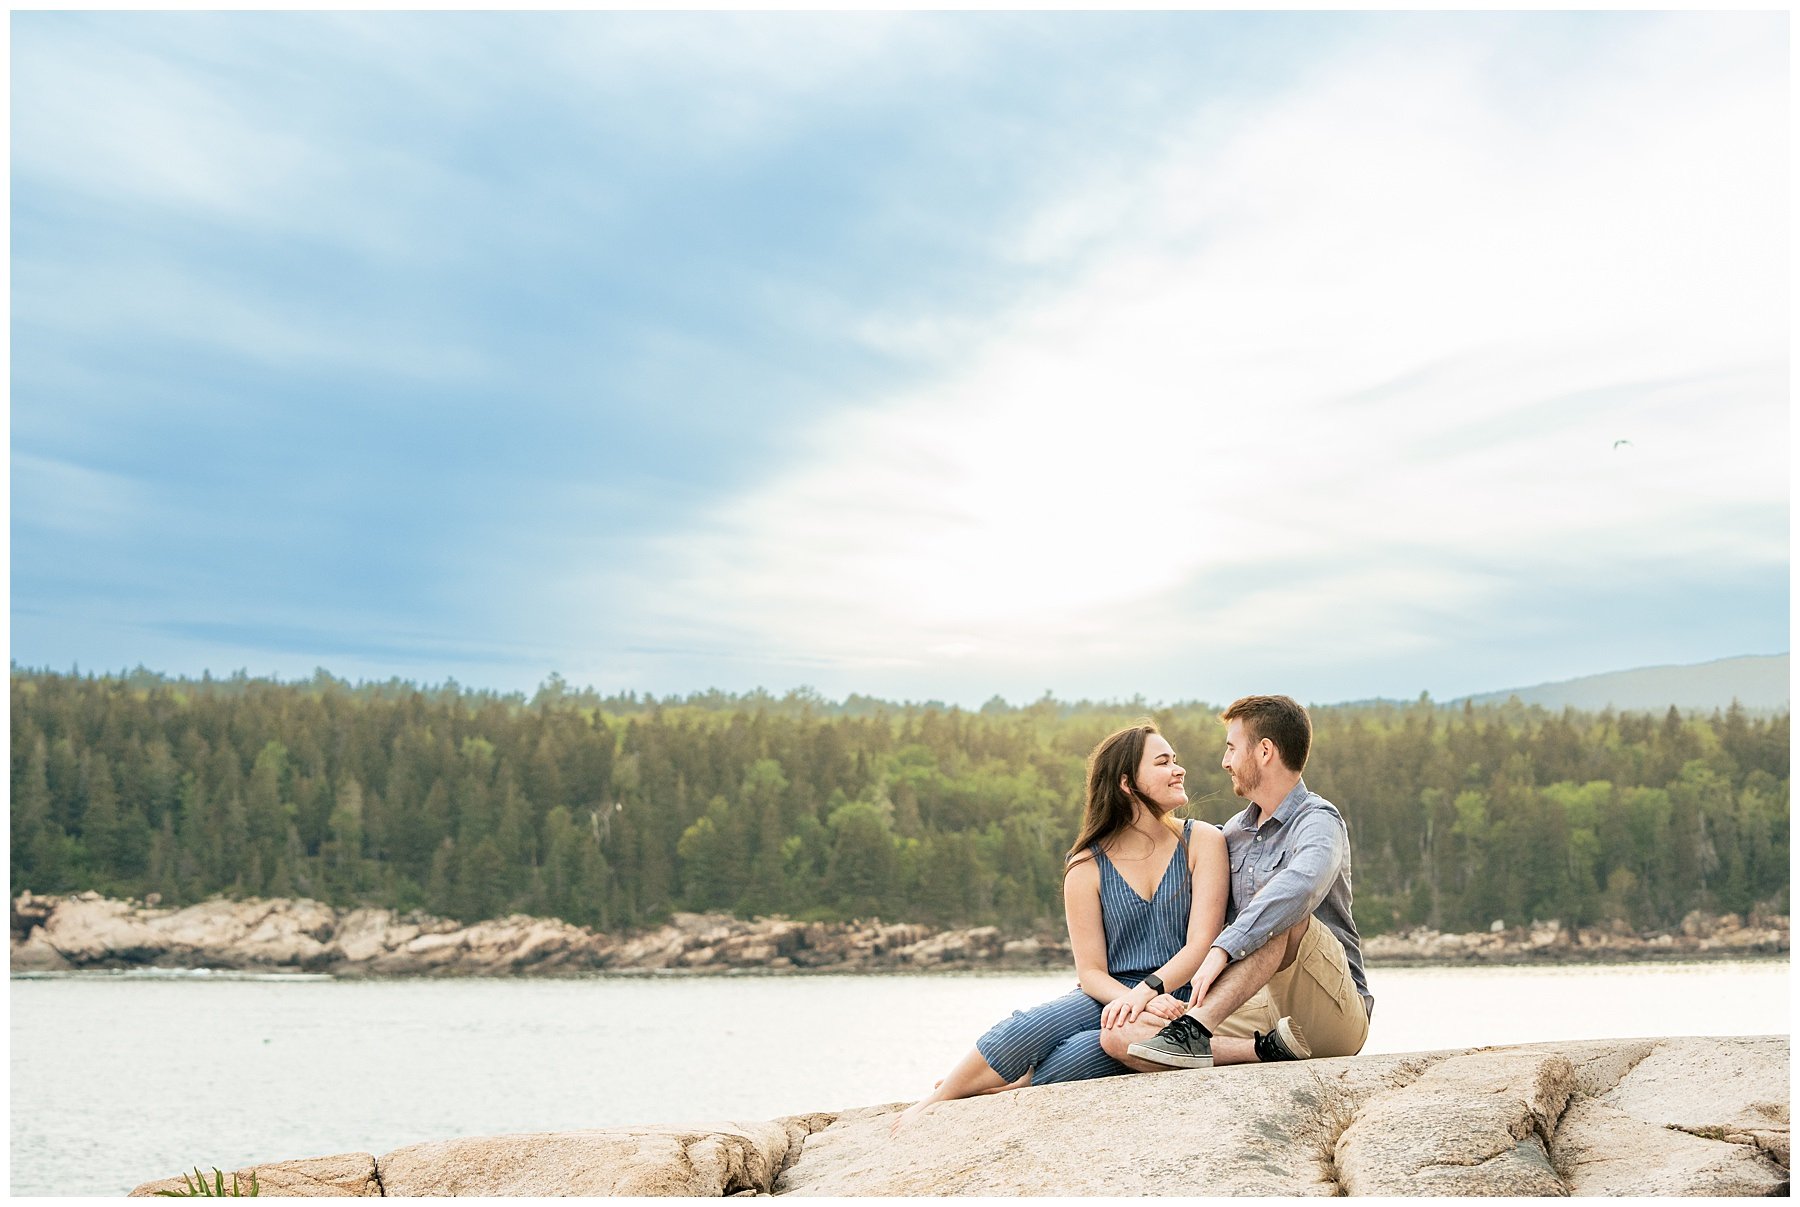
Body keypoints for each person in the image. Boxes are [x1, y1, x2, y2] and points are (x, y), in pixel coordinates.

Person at [890, 722, 1231, 1133]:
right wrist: (1132, 999)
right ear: (1126, 783)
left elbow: (1202, 945)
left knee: (1081, 1054)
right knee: (1031, 1026)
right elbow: (1090, 973)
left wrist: (1151, 993)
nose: (1179, 770)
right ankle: (936, 1101)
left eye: (1175, 760)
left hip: (1178, 995)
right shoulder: (1086, 864)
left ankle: (1009, 1087)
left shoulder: (1203, 841)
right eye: (1163, 762)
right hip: (1110, 993)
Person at [1105, 694, 1373, 1072]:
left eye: (1232, 748)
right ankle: (1262, 1050)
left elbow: (1301, 886)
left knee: (1280, 907)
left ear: (1265, 751)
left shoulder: (1318, 820)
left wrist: (1224, 948)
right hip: (1257, 1012)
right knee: (1121, 1035)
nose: (1225, 761)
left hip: (1330, 1010)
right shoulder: (1233, 832)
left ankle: (1197, 1029)